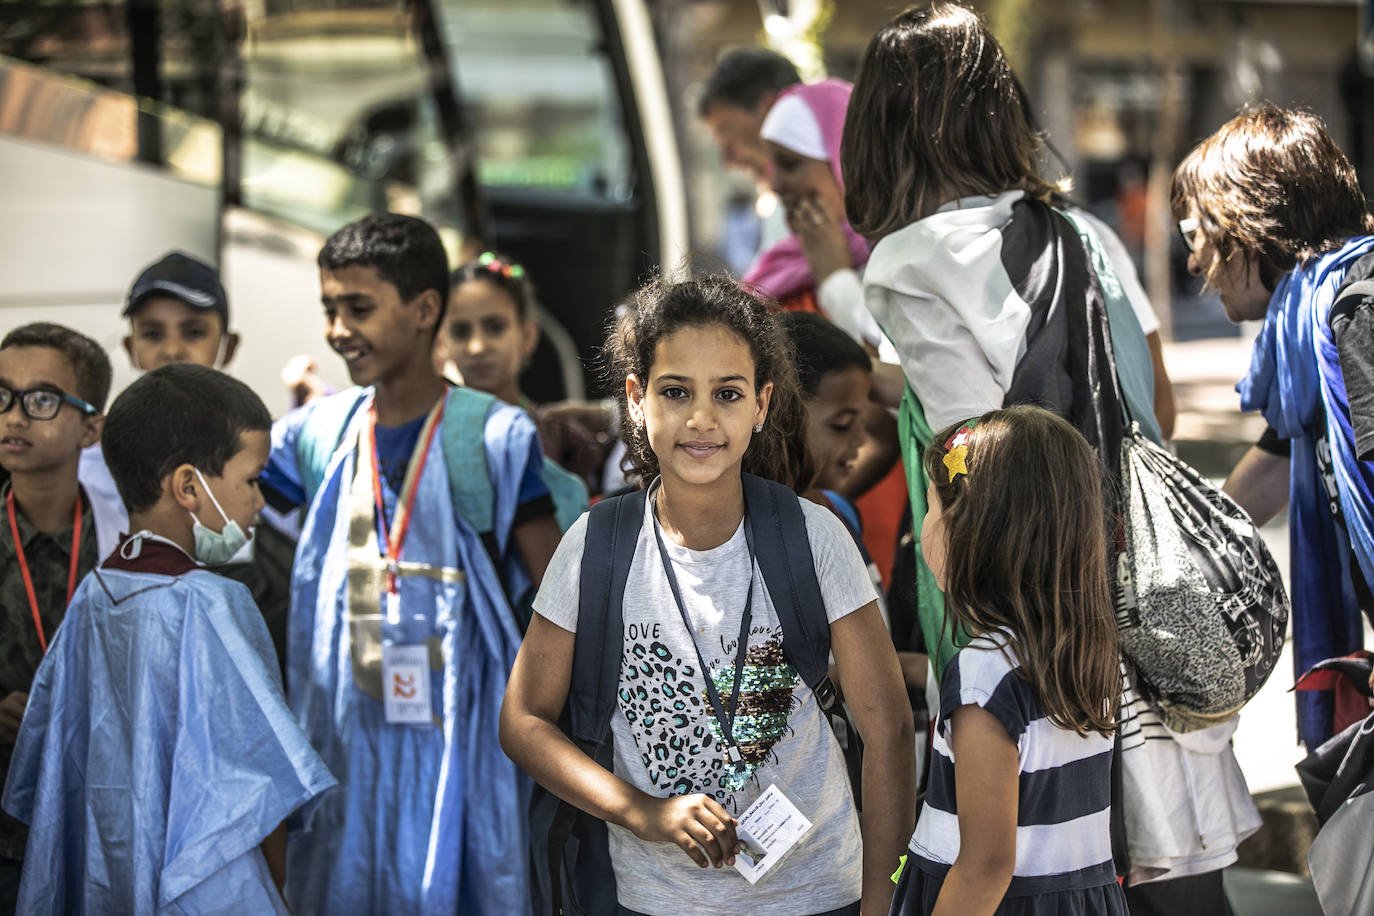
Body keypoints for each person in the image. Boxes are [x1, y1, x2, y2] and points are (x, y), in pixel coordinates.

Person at [842, 7, 1255, 914]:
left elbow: (976, 462)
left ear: (884, 122)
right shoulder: (1087, 234)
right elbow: (1165, 410)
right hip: (1149, 615)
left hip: (1029, 640)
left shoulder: (913, 262)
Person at [500, 275, 916, 915]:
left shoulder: (814, 537)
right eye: (675, 392)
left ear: (762, 403)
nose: (701, 419)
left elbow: (886, 728)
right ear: (637, 399)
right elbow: (523, 721)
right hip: (659, 902)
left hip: (819, 896)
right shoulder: (596, 547)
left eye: (727, 393)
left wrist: (884, 904)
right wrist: (643, 813)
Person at [259, 213, 562, 914]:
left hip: (464, 741)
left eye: (358, 308)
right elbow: (223, 517)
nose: (338, 330)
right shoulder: (314, 434)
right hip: (342, 737)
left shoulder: (491, 435)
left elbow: (555, 595)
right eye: (329, 310)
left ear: (426, 310)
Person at [1, 363, 335, 915]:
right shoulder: (213, 604)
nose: (259, 502)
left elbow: (48, 767)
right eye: (251, 480)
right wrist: (277, 896)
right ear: (188, 486)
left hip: (100, 876)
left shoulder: (92, 594)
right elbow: (259, 789)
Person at [1172, 104, 1374, 749]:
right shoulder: (1311, 345)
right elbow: (1274, 468)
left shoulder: (1357, 313)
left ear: (1245, 226)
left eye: (1194, 234)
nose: (1193, 261)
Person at [892, 406, 1127, 915]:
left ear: (969, 530)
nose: (925, 525)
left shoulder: (983, 674)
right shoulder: (1086, 651)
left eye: (930, 508)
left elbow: (985, 867)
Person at [0, 323, 119, 915]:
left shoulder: (129, 545)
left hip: (98, 826)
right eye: (2, 395)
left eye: (41, 400)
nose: (14, 416)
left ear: (91, 427)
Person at [439, 251, 605, 496]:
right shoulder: (432, 434)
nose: (477, 347)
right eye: (461, 332)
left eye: (495, 328)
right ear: (442, 341)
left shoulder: (564, 439)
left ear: (527, 335)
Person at [698, 47, 802, 263]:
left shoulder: (817, 210)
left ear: (771, 110)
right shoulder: (783, 211)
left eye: (728, 137)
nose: (728, 162)